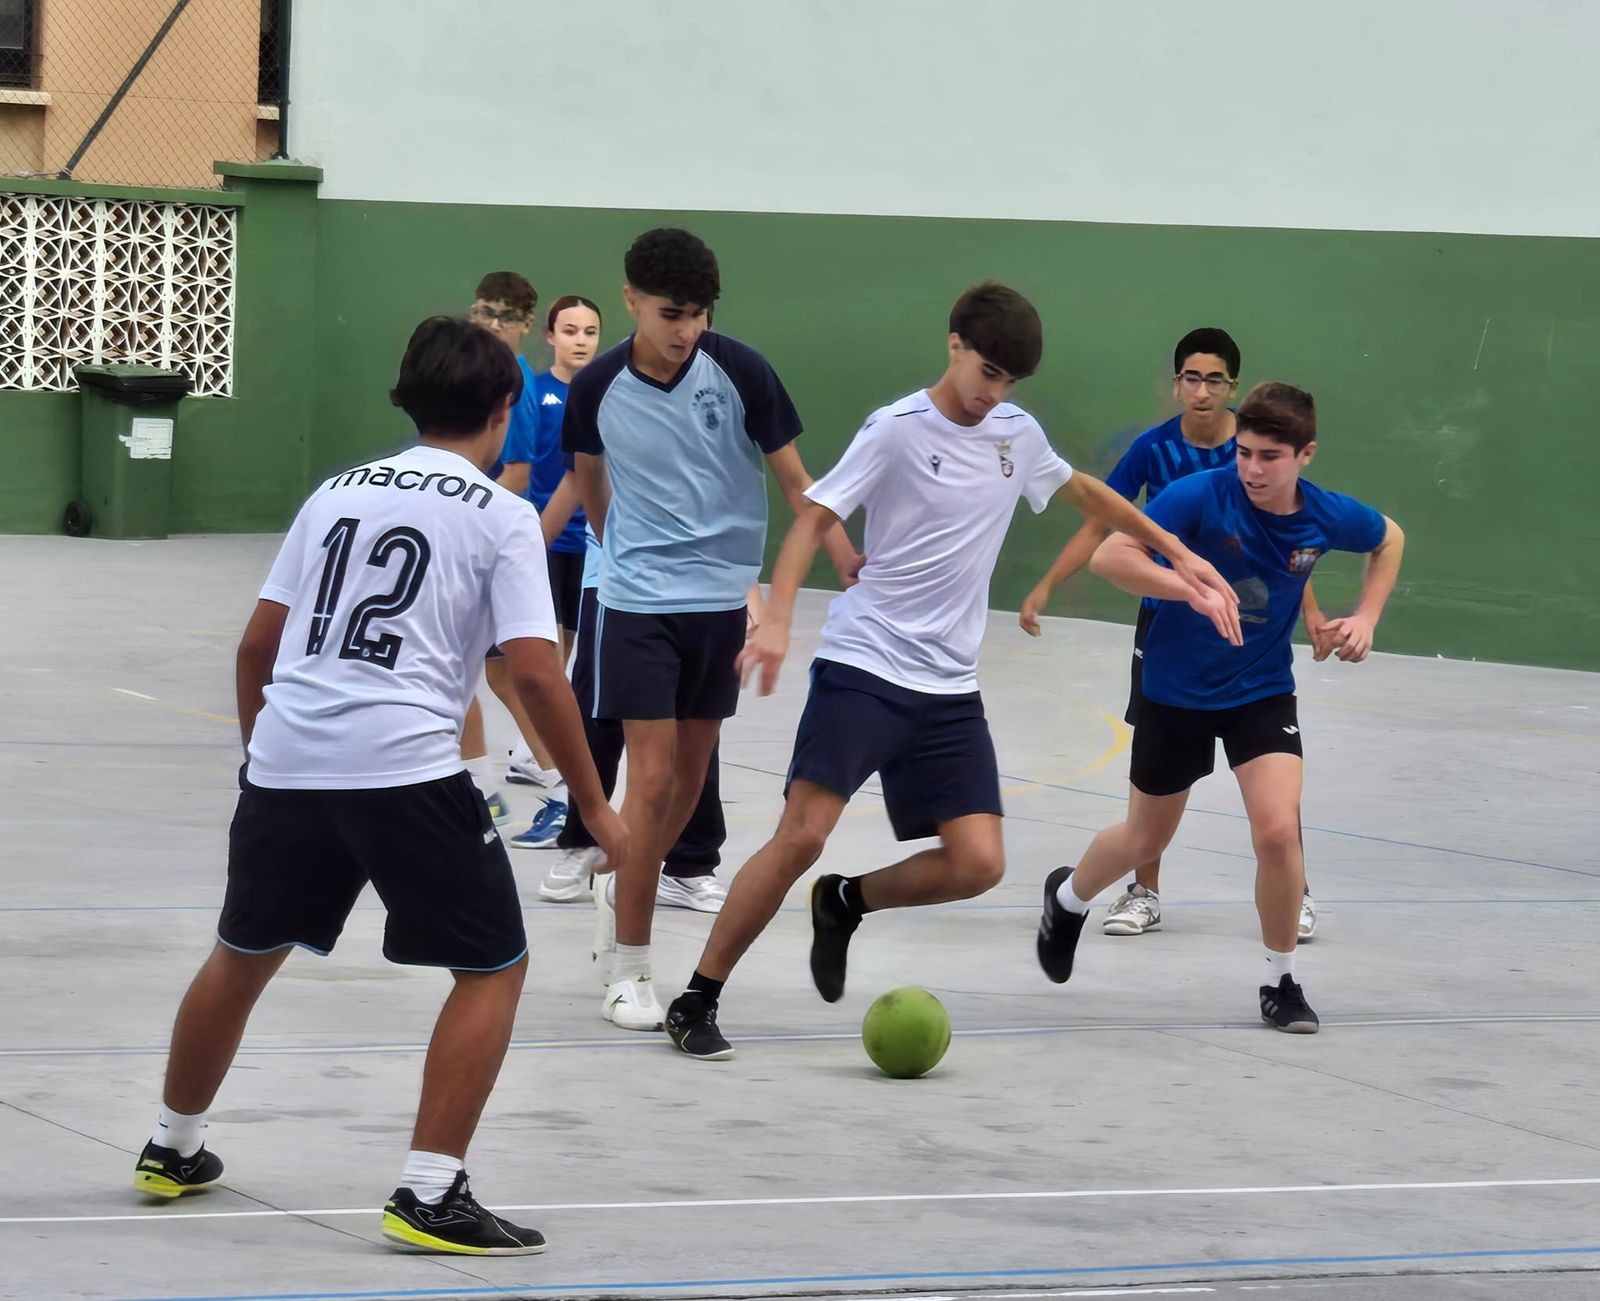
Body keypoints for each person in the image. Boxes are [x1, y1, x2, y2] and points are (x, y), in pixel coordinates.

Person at [130, 317, 627, 1256]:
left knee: (241, 952)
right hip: (401, 765)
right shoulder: (499, 513)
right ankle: (430, 1190)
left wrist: (260, 764)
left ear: (406, 400)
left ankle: (171, 1144)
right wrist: (596, 806)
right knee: (494, 966)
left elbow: (255, 646)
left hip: (287, 759)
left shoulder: (334, 494)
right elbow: (533, 671)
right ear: (503, 409)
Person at [662, 282, 1240, 1061]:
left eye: (1009, 381)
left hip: (947, 685)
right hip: (866, 663)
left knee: (979, 863)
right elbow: (813, 522)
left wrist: (1184, 553)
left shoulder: (1015, 432)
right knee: (802, 835)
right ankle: (697, 995)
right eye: (987, 371)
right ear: (954, 345)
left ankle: (847, 900)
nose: (993, 391)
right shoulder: (895, 429)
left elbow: (1086, 492)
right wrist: (776, 617)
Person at [1034, 382, 1404, 1034]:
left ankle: (1278, 979)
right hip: (1175, 691)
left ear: (1306, 454)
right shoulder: (1200, 495)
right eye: (1246, 453)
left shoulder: (1323, 515)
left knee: (1277, 832)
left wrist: (1368, 616)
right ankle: (1066, 900)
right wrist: (1188, 586)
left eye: (1270, 456)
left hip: (1260, 691)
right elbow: (1109, 554)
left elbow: (1389, 538)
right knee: (1145, 838)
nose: (1254, 469)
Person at [564, 227, 862, 1031]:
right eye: (670, 313)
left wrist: (844, 555)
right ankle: (629, 968)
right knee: (652, 783)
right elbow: (591, 485)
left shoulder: (740, 370)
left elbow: (799, 480)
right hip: (636, 602)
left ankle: (616, 884)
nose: (686, 329)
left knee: (688, 788)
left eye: (698, 314)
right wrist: (626, 553)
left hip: (719, 605)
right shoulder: (597, 388)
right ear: (631, 300)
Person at [1020, 328, 1325, 942]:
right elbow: (1104, 521)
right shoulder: (1154, 451)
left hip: (1251, 623)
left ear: (1232, 387)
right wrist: (1048, 583)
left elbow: (1296, 538)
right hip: (1171, 623)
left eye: (1215, 378)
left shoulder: (1258, 446)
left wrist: (1313, 615)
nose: (1202, 389)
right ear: (1175, 383)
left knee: (1272, 762)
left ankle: (1298, 888)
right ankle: (1143, 890)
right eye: (1192, 376)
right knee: (1156, 771)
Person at [499, 295, 603, 850]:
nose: (580, 339)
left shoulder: (606, 392)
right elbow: (524, 471)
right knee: (544, 662)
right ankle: (542, 761)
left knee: (570, 667)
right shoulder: (535, 394)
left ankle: (552, 770)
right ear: (549, 336)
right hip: (544, 543)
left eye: (590, 330)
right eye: (570, 330)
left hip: (593, 547)